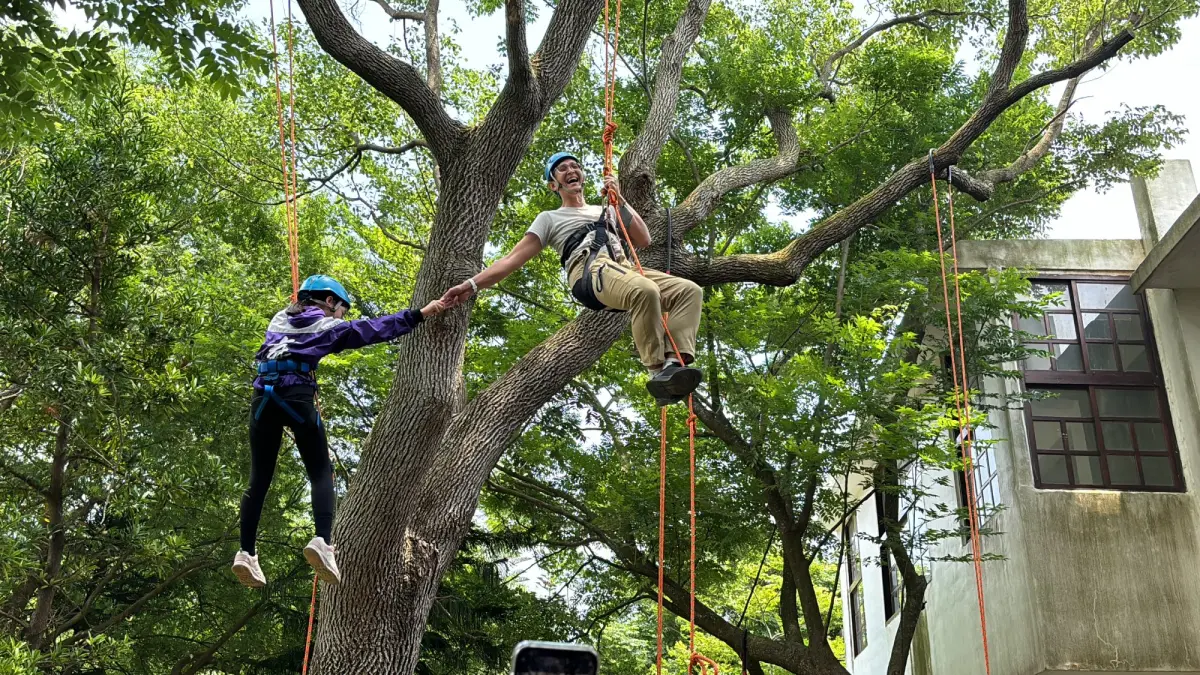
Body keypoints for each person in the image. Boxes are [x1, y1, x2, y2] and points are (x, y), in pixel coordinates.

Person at [232, 275, 445, 588]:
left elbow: (295, 332)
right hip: (295, 399)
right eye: (341, 309)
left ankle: (245, 552)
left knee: (259, 479)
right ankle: (322, 540)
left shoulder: (278, 319)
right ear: (329, 301)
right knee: (321, 472)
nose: (341, 316)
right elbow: (369, 330)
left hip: (262, 399)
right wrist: (419, 314)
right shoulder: (324, 327)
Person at [440, 152, 703, 405]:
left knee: (689, 291)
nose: (571, 171)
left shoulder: (608, 210)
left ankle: (673, 362)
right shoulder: (550, 219)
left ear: (583, 176)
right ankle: (657, 371)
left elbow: (643, 239)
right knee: (645, 291)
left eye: (574, 166)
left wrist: (619, 199)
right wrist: (471, 285)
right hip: (590, 270)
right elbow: (511, 260)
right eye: (563, 169)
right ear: (553, 184)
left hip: (624, 267)